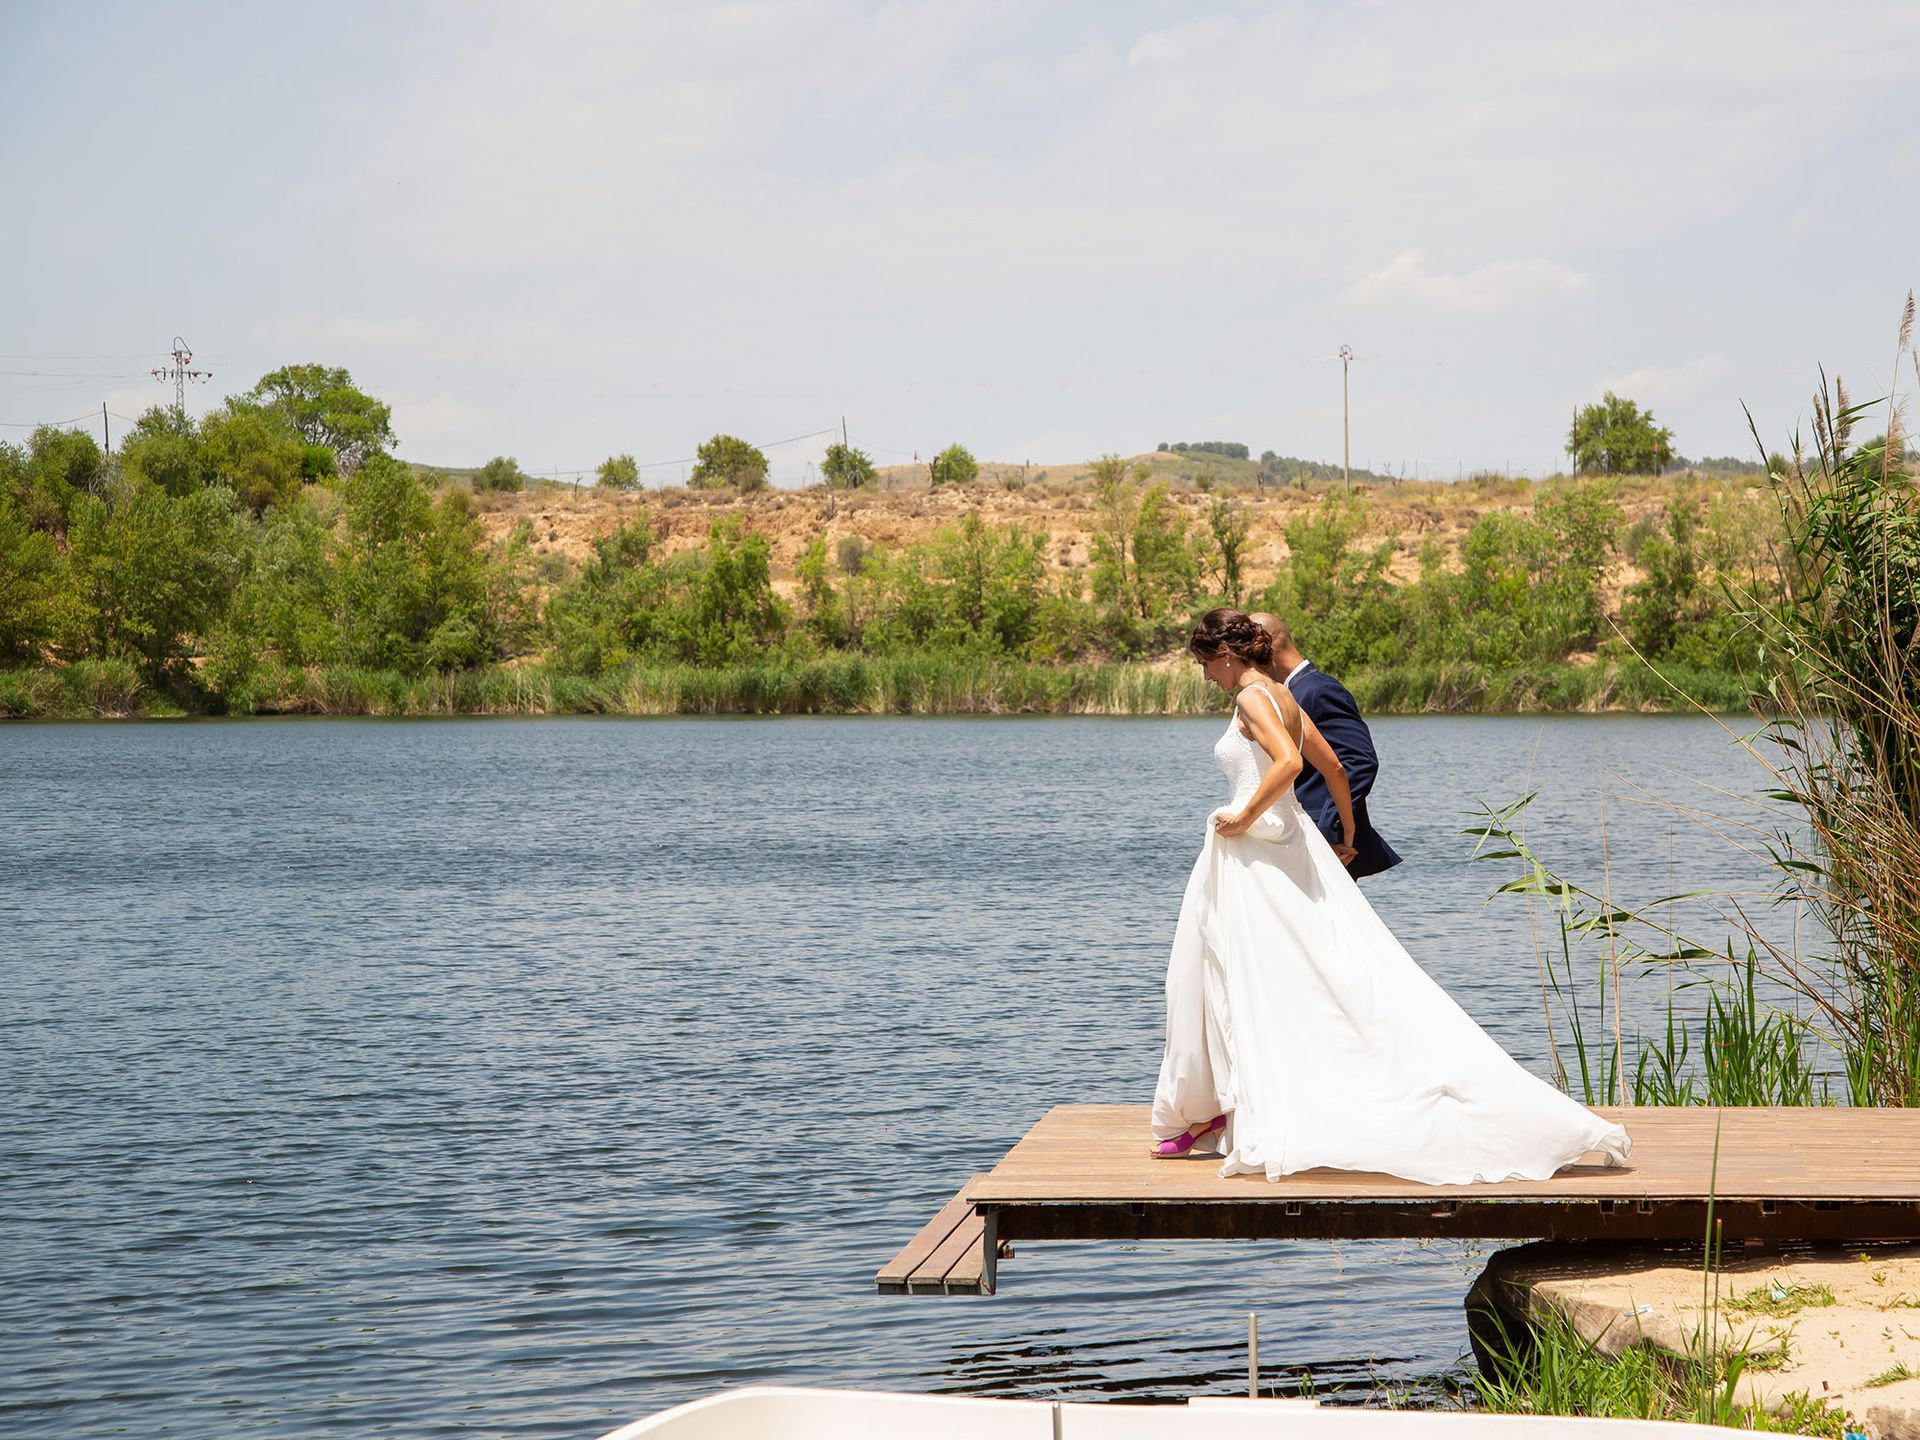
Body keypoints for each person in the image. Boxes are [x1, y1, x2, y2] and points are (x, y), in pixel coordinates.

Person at [1150, 608, 1629, 1185]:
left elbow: (1292, 762)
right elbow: (1331, 767)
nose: (1205, 676)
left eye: (1205, 664)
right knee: (1318, 973)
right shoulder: (1285, 694)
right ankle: (1232, 1101)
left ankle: (1242, 1103)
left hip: (1256, 852)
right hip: (1292, 845)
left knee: (1235, 975)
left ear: (1225, 656)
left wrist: (1243, 814)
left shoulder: (1255, 698)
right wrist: (1347, 835)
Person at [1249, 612, 1401, 880]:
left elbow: (1359, 762)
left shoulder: (1320, 690)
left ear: (1268, 647)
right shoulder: (1288, 692)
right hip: (1295, 836)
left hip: (1327, 842)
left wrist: (1330, 829)